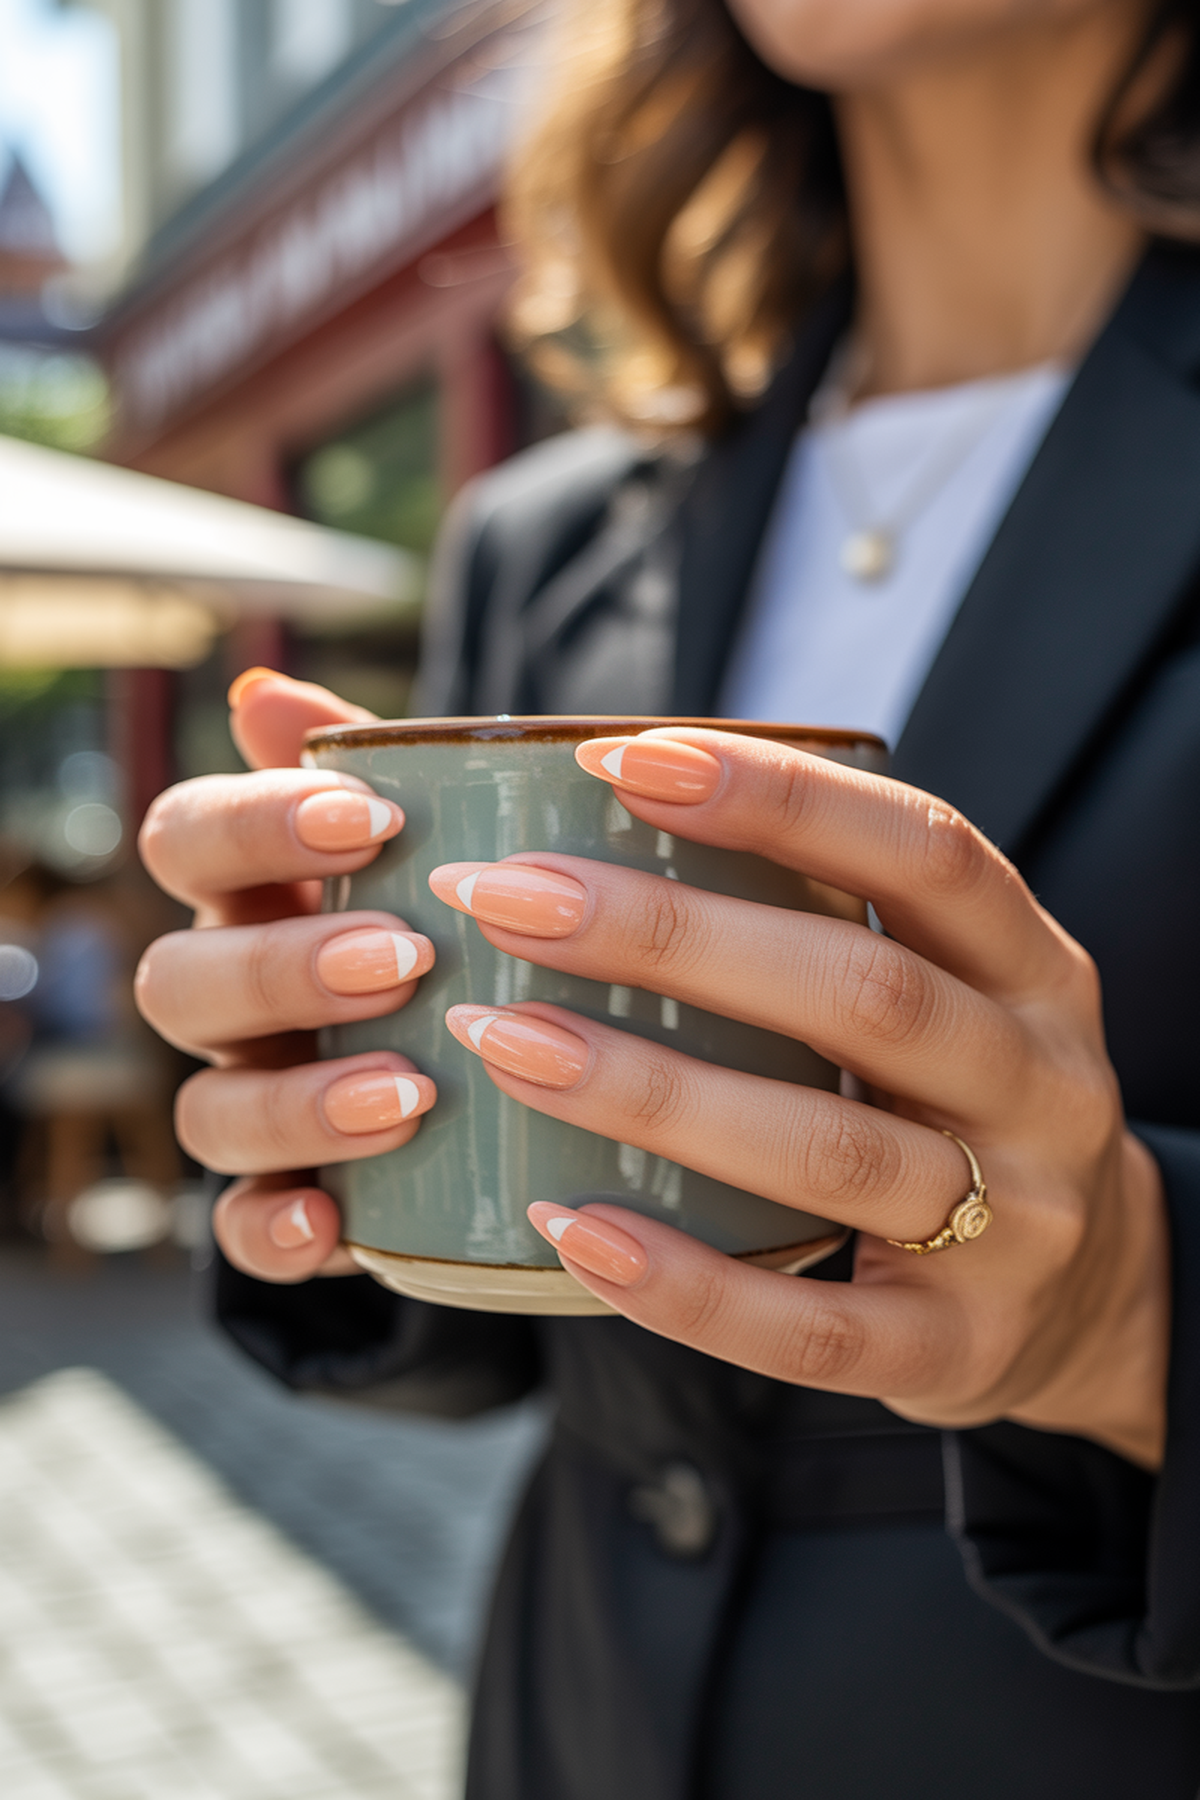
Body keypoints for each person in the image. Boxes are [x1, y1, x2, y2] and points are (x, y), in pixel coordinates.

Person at [135, 0, 1200, 1792]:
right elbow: (506, 1355)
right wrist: (328, 1131)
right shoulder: (550, 536)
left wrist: (1133, 1316)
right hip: (585, 1718)